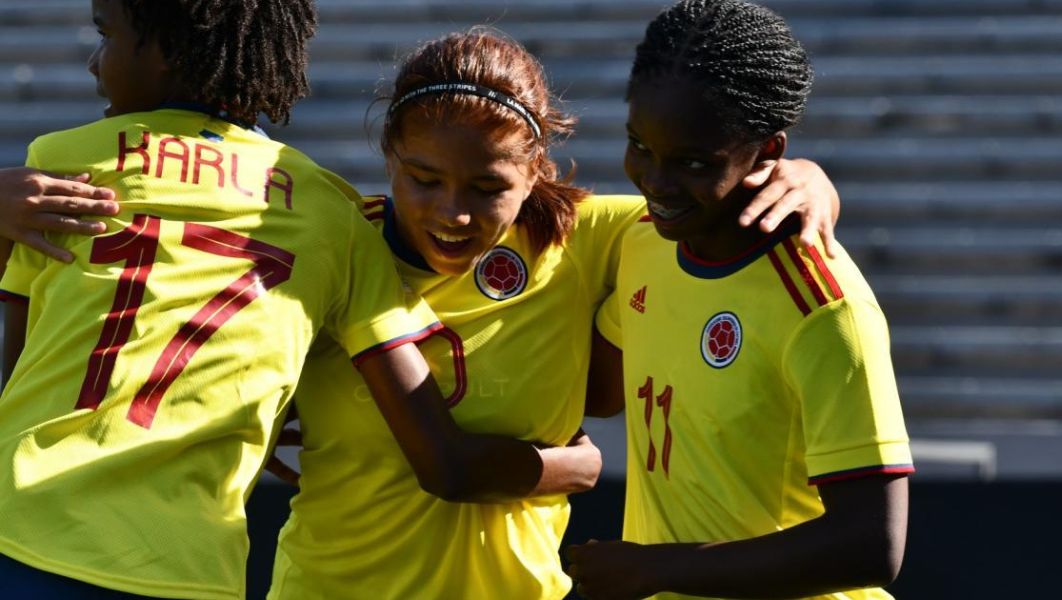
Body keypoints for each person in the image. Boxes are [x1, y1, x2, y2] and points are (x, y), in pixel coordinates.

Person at [0, 25, 840, 600]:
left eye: (487, 189)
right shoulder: (333, 248)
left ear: (537, 170)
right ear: (387, 159)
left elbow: (713, 199)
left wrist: (806, 176)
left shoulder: (599, 238)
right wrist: (572, 469)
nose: (451, 211)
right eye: (422, 178)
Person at [0, 3, 599, 599]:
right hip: (184, 569)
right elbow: (444, 459)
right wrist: (578, 468)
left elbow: (20, 373)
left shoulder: (61, 167)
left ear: (165, 51)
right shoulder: (328, 211)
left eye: (106, 36)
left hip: (20, 528)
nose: (92, 61)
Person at [571, 1, 913, 598]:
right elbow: (601, 394)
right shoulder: (644, 243)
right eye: (639, 146)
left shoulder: (825, 308)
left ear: (768, 153)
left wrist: (654, 570)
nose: (656, 181)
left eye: (694, 163)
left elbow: (872, 545)